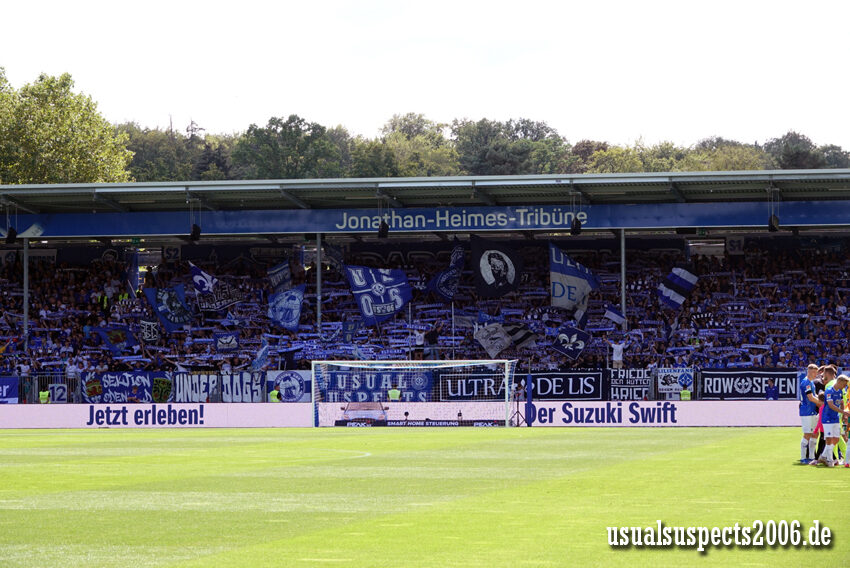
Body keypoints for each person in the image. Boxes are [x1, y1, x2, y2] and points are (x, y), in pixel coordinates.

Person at [813, 373, 850, 467]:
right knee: (829, 439)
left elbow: (841, 402)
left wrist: (843, 413)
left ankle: (823, 456)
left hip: (835, 418)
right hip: (827, 418)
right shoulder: (829, 390)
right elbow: (830, 405)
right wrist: (843, 412)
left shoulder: (840, 391)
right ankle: (829, 460)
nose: (845, 387)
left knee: (836, 439)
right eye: (844, 385)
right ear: (839, 382)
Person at [798, 363, 822, 464]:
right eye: (815, 372)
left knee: (814, 433)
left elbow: (814, 395)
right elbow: (810, 397)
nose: (816, 374)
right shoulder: (806, 383)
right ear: (810, 372)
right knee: (807, 434)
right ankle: (803, 457)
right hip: (806, 411)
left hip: (811, 411)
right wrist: (822, 404)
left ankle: (812, 457)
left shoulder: (810, 383)